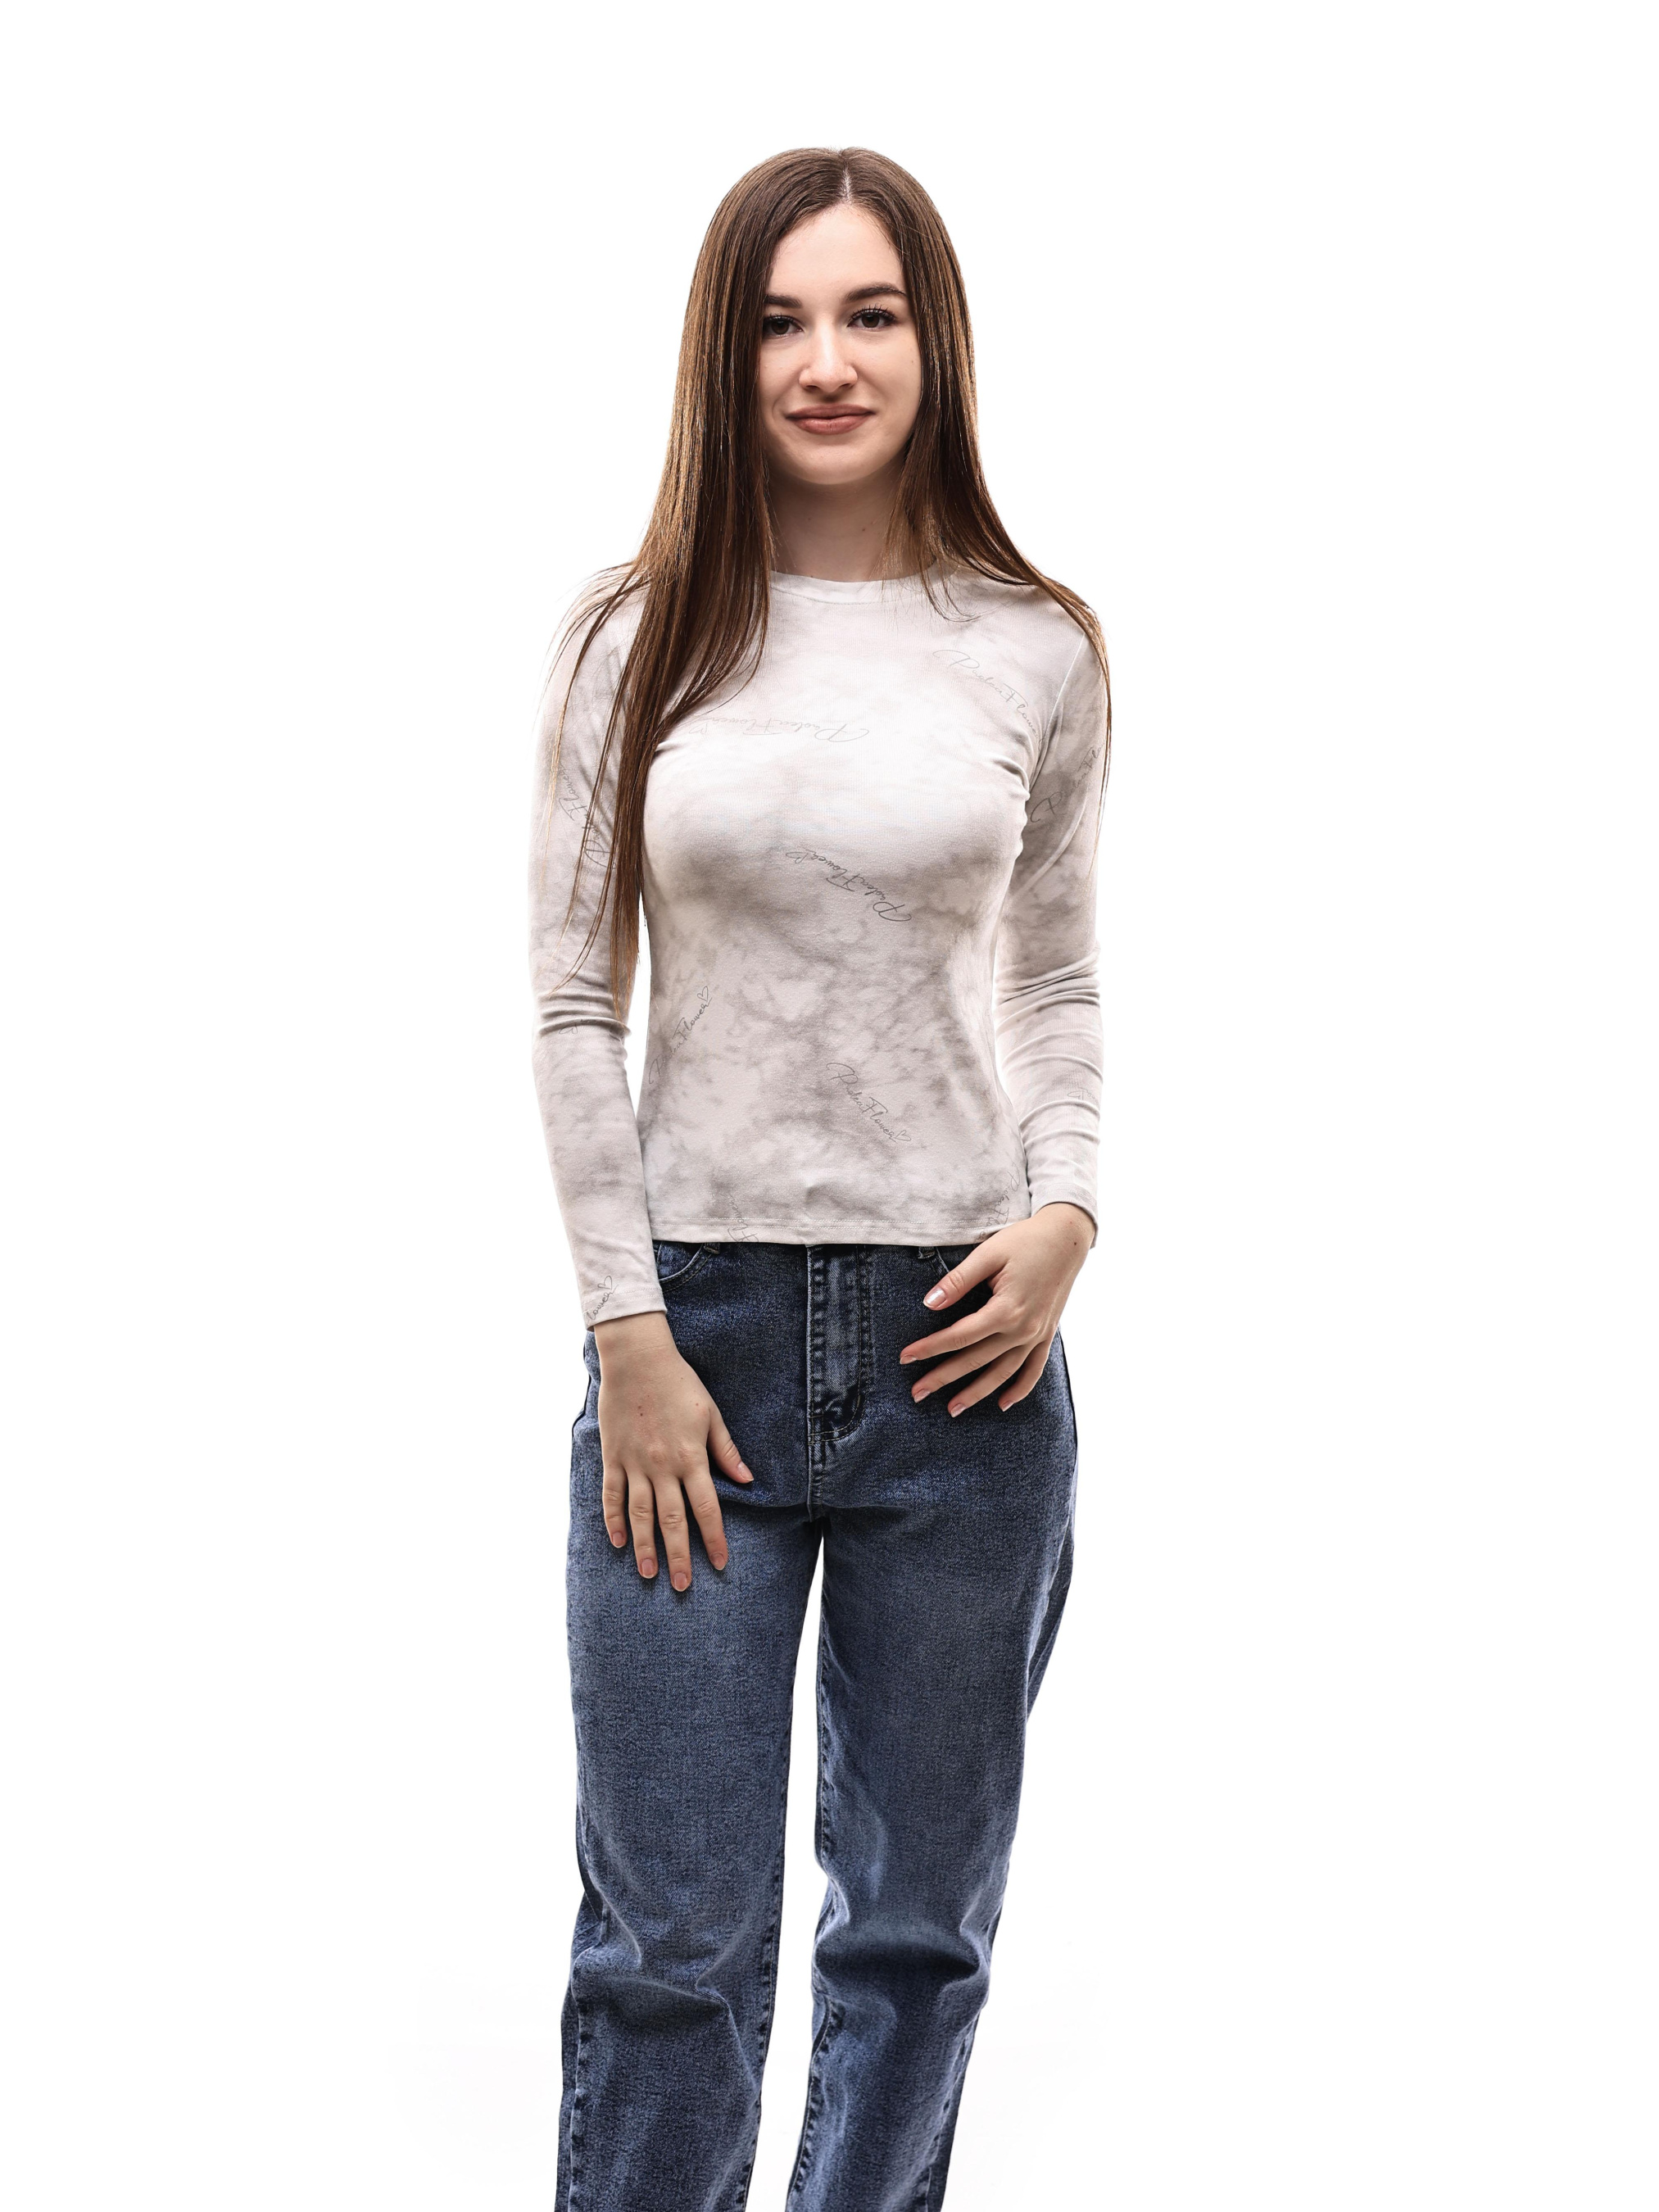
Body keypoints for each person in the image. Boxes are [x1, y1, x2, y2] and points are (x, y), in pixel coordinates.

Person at [527, 144, 1110, 2212]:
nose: (825, 361)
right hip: (694, 1354)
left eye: (870, 313)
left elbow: (1052, 978)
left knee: (913, 1937)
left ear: (933, 340)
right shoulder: (635, 637)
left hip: (966, 1352)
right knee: (671, 1948)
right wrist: (628, 1335)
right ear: (724, 351)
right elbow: (571, 1004)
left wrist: (1066, 1212)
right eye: (779, 320)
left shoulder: (1032, 645)